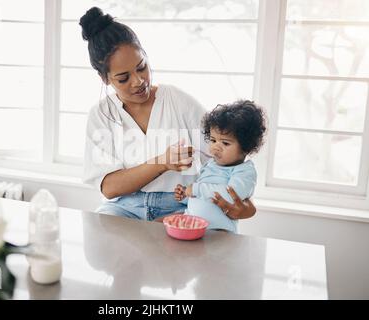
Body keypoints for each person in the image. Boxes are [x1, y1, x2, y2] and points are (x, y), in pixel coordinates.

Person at [80, 6, 256, 222]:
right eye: (123, 78)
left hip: (180, 204)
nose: (138, 81)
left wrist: (245, 204)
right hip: (125, 208)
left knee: (184, 241)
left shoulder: (177, 101)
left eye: (142, 67)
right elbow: (108, 187)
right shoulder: (100, 116)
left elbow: (227, 155)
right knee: (100, 234)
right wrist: (162, 162)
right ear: (105, 78)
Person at [174, 100, 267, 232]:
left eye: (225, 143)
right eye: (213, 140)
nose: (216, 147)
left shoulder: (245, 171)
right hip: (193, 226)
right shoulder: (210, 165)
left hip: (219, 232)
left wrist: (195, 189)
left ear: (246, 147)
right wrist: (185, 195)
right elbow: (203, 198)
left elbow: (230, 196)